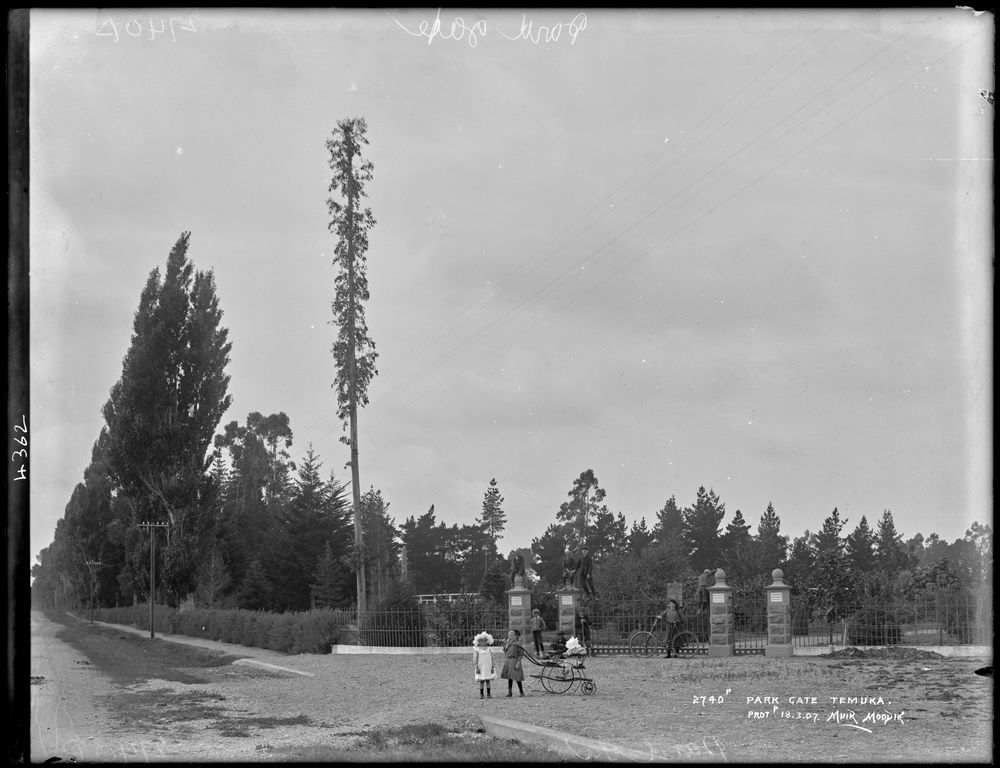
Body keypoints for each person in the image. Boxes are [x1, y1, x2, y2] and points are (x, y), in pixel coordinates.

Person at [500, 629, 526, 697]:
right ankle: (509, 691)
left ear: (515, 636)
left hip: (515, 661)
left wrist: (518, 662)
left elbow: (521, 654)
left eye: (511, 635)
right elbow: (505, 652)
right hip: (508, 661)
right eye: (509, 635)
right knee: (509, 677)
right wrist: (506, 645)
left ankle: (521, 691)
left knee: (517, 677)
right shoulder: (508, 643)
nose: (510, 637)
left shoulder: (518, 644)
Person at [472, 631, 496, 699]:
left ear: (487, 641)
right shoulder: (477, 650)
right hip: (481, 667)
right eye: (481, 641)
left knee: (488, 680)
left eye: (484, 641)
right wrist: (476, 667)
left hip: (488, 667)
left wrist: (492, 667)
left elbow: (491, 658)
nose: (483, 642)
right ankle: (481, 694)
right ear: (479, 642)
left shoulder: (489, 650)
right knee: (481, 681)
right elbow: (475, 659)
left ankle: (488, 693)